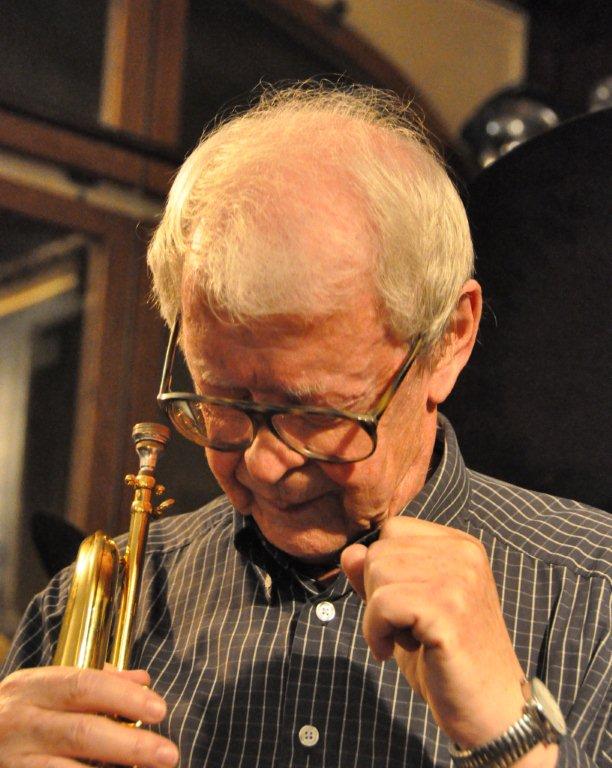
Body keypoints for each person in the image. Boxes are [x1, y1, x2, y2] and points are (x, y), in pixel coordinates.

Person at [0, 84, 609, 768]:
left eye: (318, 414)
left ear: (448, 340)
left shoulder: (596, 601)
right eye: (222, 403)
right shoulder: (80, 607)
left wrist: (513, 739)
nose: (262, 465)